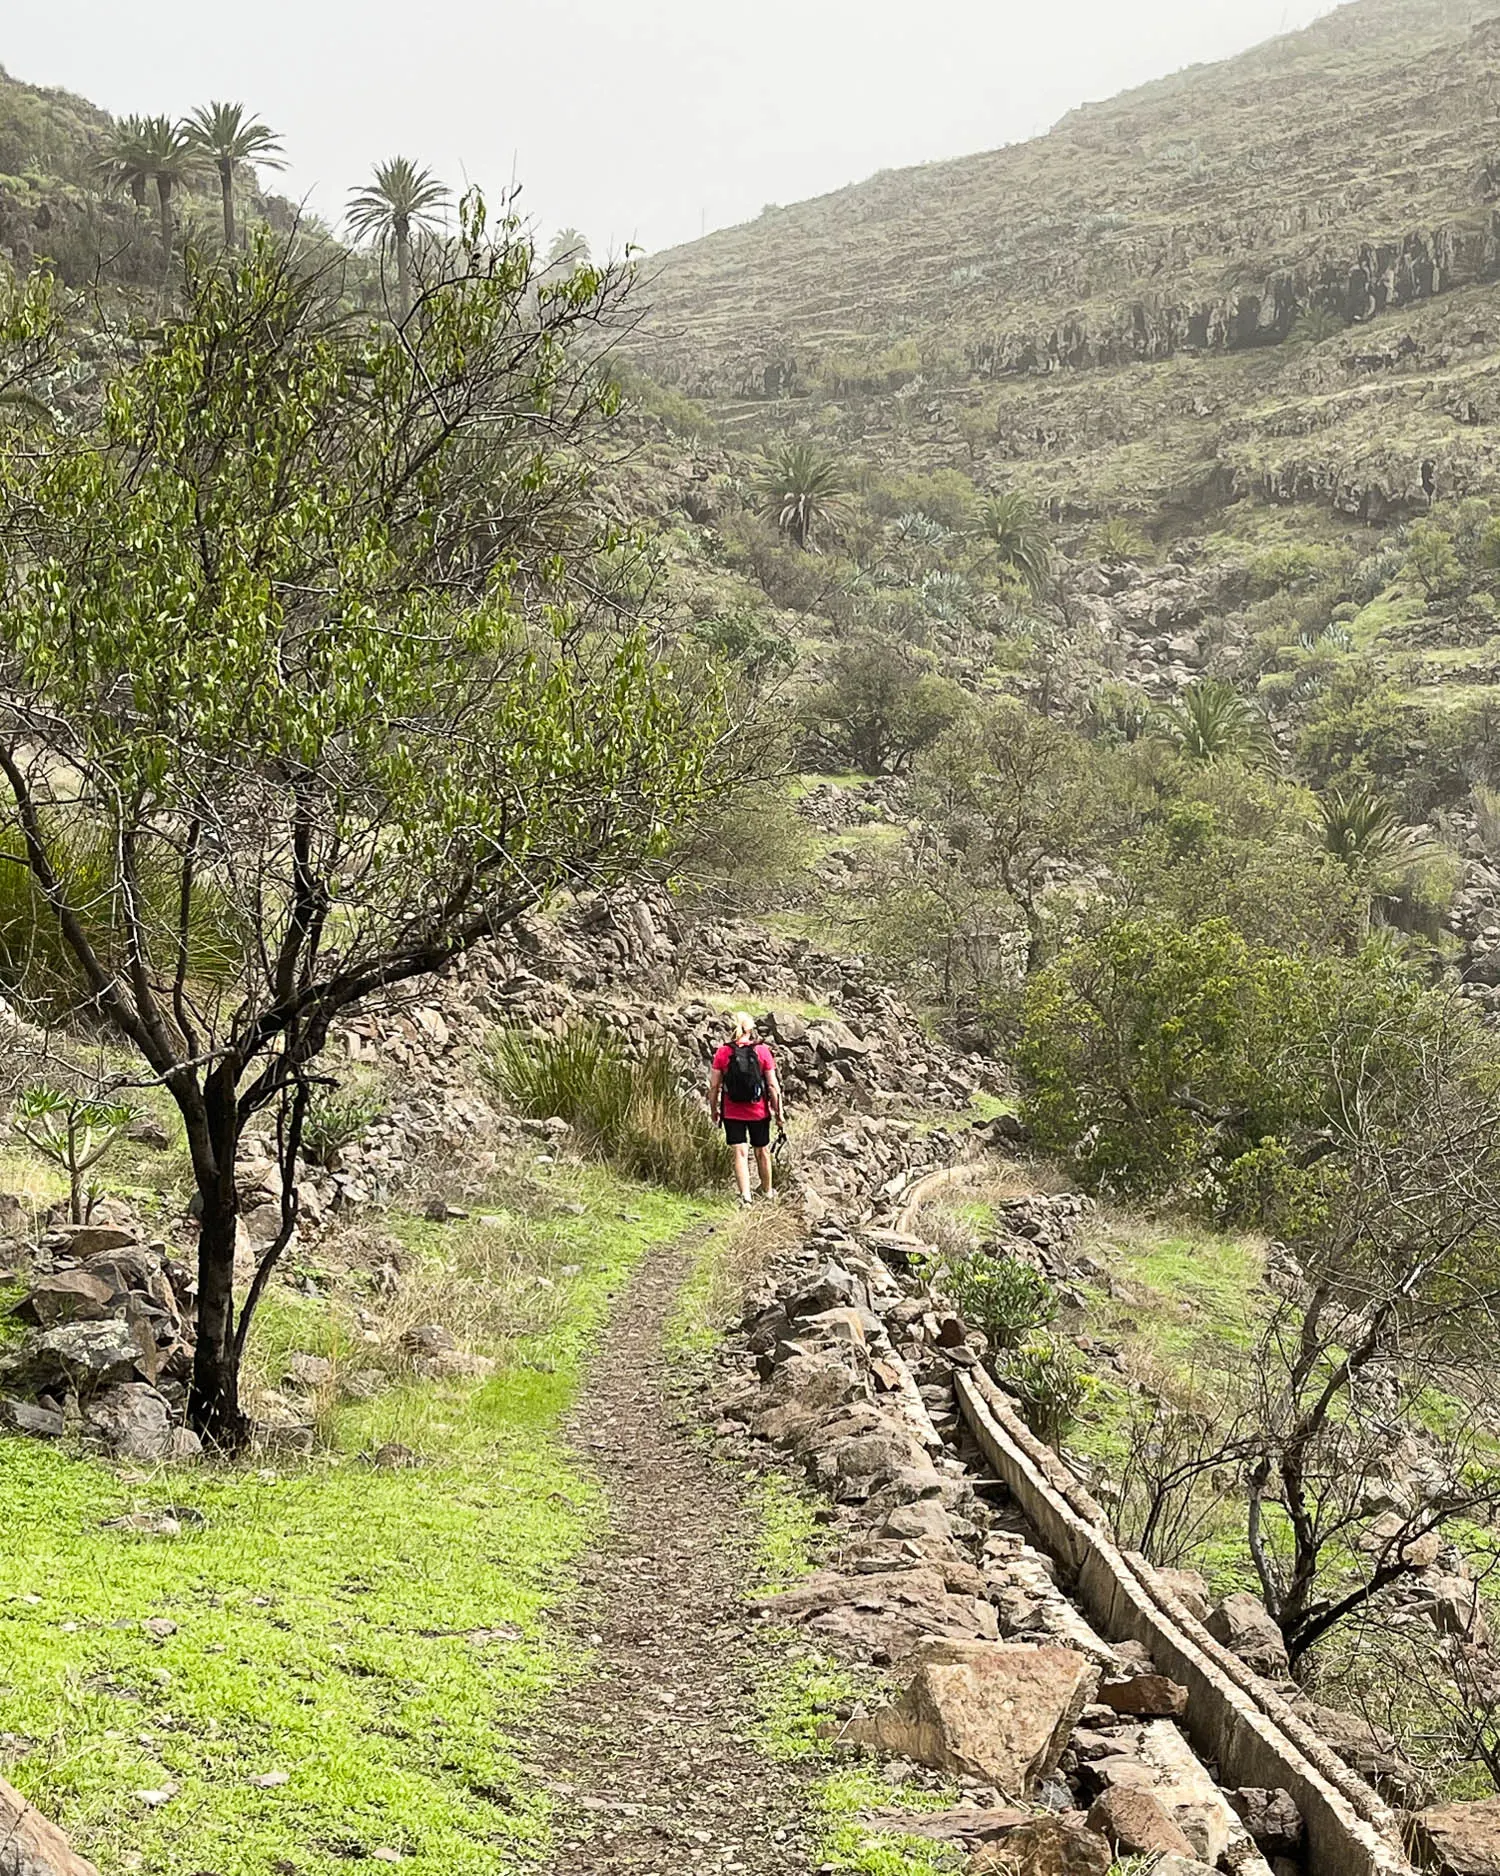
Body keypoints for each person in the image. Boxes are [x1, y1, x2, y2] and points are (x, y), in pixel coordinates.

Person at [708, 1013, 784, 1206]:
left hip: (732, 1111)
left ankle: (746, 1197)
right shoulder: (763, 1051)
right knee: (762, 1151)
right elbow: (773, 1086)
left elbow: (714, 1086)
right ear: (750, 1029)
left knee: (740, 1152)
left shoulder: (723, 1052)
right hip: (758, 1112)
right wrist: (779, 1113)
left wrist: (713, 1109)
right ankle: (767, 1193)